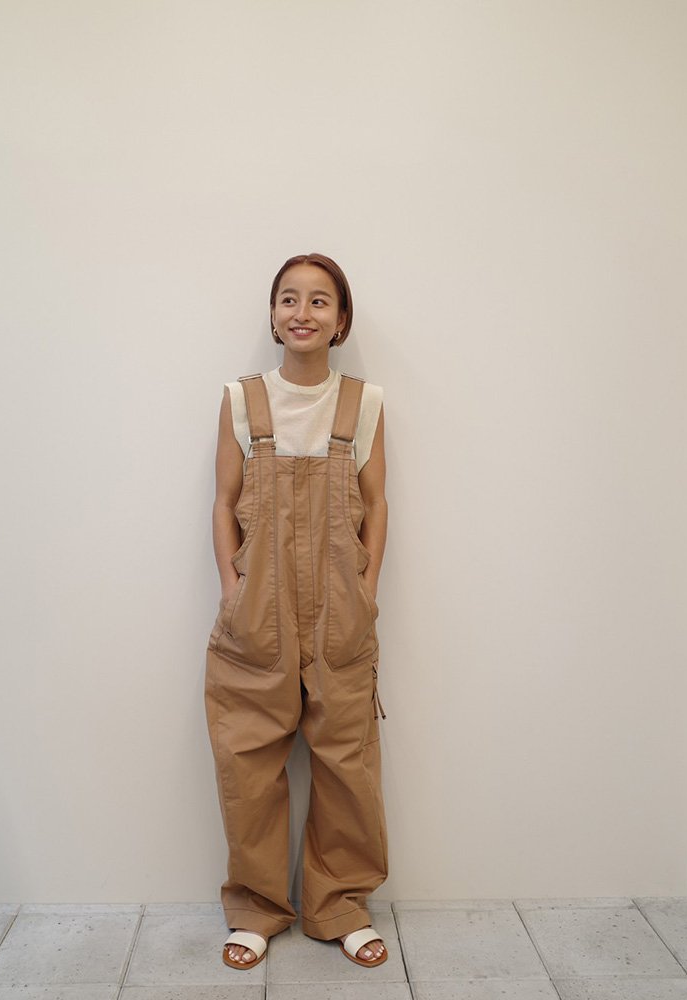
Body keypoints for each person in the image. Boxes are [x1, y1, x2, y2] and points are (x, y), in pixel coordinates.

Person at [204, 252, 389, 971]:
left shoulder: (363, 403)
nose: (302, 312)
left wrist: (366, 589)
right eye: (289, 299)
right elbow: (223, 502)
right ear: (273, 315)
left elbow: (377, 504)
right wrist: (232, 587)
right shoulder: (241, 400)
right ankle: (256, 909)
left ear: (341, 320)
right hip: (258, 607)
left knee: (346, 759)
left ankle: (339, 904)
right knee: (248, 757)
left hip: (341, 607)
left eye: (319, 300)